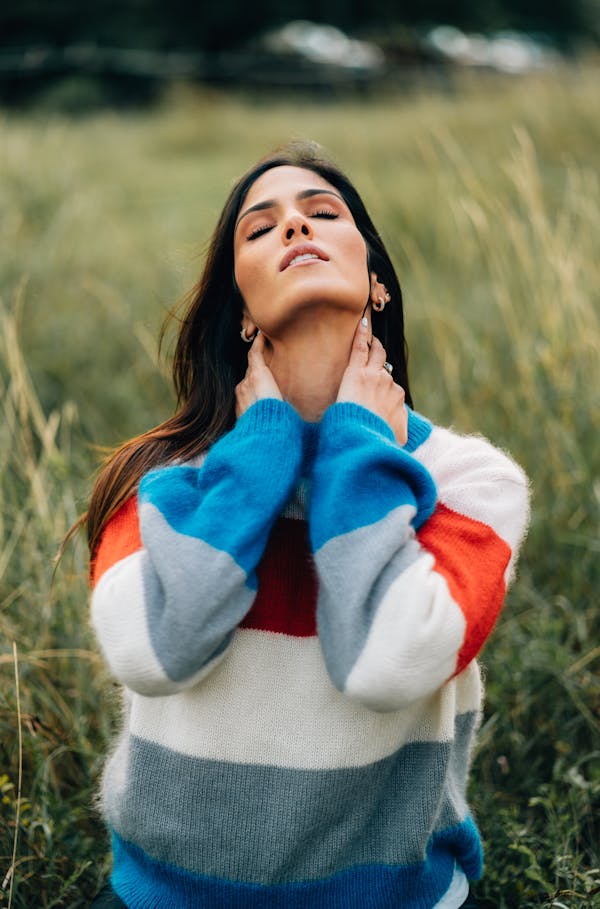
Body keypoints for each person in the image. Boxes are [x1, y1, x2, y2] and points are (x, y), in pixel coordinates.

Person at [87, 141, 530, 909]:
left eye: (322, 213)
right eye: (260, 229)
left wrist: (356, 440)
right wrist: (260, 453)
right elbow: (158, 650)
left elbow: (387, 665)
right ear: (240, 306)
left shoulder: (469, 481)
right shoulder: (163, 481)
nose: (294, 226)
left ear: (377, 283)